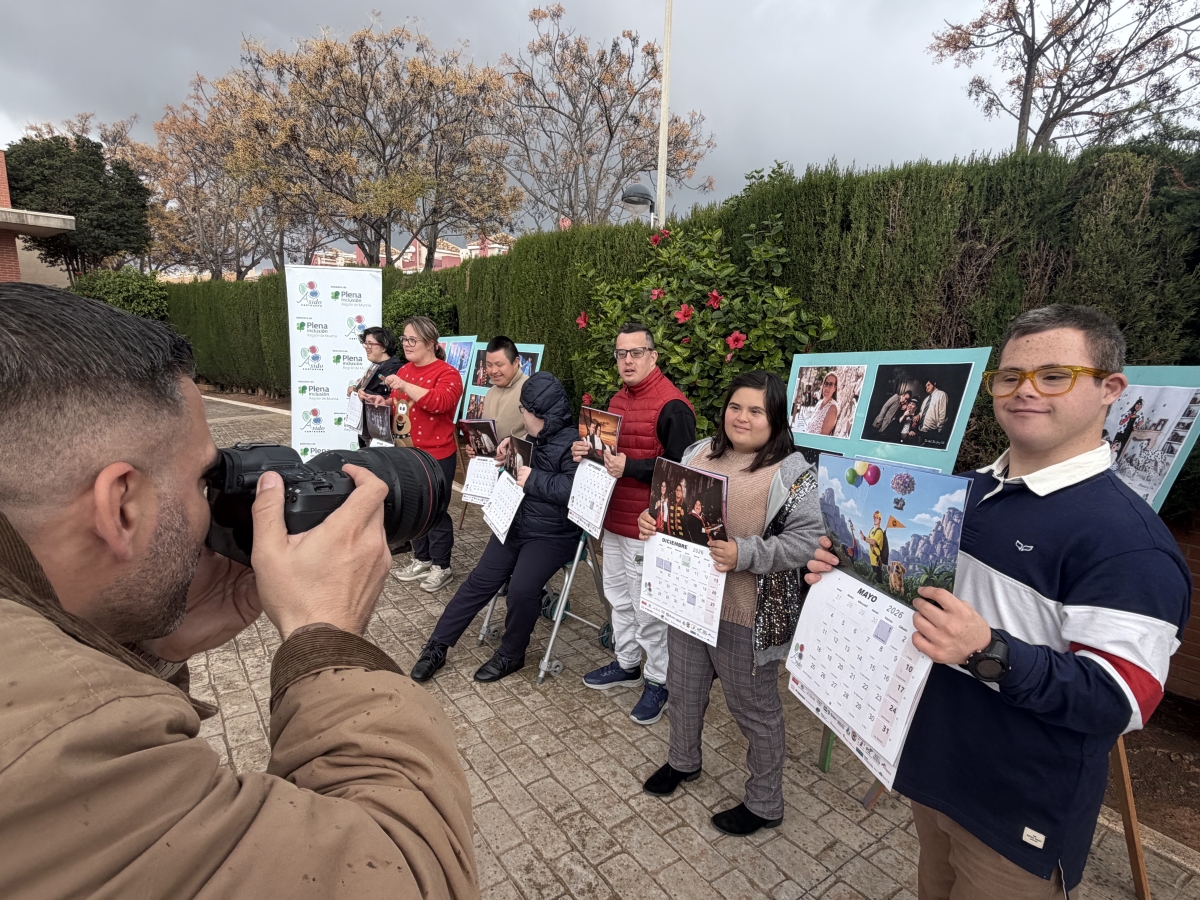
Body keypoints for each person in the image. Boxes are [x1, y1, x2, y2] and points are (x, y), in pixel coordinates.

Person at [0, 284, 476, 899]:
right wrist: (324, 638)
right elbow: (408, 875)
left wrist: (146, 645)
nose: (214, 502)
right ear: (120, 506)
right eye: (204, 477)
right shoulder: (62, 746)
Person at [805, 305, 1191, 899]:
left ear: (1111, 389)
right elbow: (923, 601)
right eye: (1010, 377)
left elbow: (1119, 699)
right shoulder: (968, 492)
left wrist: (989, 652)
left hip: (1016, 812)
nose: (1025, 391)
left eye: (1054, 375)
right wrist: (850, 579)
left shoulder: (1127, 543)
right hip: (930, 766)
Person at [639, 371, 822, 836]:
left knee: (755, 710)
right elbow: (671, 510)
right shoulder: (697, 453)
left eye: (756, 411)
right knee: (683, 690)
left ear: (775, 418)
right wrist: (651, 520)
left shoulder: (791, 471)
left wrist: (747, 553)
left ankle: (765, 803)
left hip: (746, 614)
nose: (742, 417)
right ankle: (683, 761)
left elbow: (806, 541)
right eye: (735, 407)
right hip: (688, 602)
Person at [410, 373, 582, 684]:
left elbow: (575, 491)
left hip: (553, 534)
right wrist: (498, 456)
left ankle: (512, 654)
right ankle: (437, 645)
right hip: (515, 524)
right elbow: (517, 476)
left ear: (539, 414)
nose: (522, 417)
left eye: (524, 412)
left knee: (521, 590)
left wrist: (532, 478)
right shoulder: (530, 439)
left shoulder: (574, 444)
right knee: (479, 582)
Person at [573, 323, 696, 725]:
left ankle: (659, 682)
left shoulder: (672, 406)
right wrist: (585, 451)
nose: (627, 360)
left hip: (649, 527)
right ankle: (627, 664)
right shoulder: (616, 399)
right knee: (619, 600)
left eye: (636, 352)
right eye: (621, 353)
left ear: (653, 356)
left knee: (650, 611)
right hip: (613, 519)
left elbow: (682, 474)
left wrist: (634, 467)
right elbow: (610, 456)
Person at [385, 316, 464, 593]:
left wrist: (404, 386)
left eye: (412, 340)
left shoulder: (447, 374)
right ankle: (422, 558)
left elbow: (440, 403)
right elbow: (402, 407)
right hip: (407, 453)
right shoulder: (405, 370)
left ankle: (442, 565)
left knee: (436, 511)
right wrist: (382, 403)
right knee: (414, 510)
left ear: (430, 343)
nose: (407, 344)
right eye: (405, 339)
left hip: (436, 455)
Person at [464, 337, 528, 463]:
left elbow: (541, 434)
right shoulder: (490, 393)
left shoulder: (531, 389)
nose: (493, 371)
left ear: (516, 362)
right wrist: (475, 446)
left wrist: (513, 449)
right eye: (489, 365)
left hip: (519, 469)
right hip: (490, 467)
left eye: (499, 365)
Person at [348, 326, 403, 448]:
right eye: (365, 343)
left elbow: (393, 399)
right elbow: (367, 389)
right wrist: (355, 390)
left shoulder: (396, 369)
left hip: (382, 436)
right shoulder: (375, 366)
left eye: (370, 343)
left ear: (383, 347)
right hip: (368, 432)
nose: (366, 347)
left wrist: (365, 394)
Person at [858, 510, 888, 585]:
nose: (875, 519)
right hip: (872, 559)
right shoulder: (872, 530)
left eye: (877, 517)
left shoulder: (879, 532)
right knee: (873, 579)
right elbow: (869, 539)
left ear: (880, 519)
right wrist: (865, 538)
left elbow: (873, 541)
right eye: (874, 517)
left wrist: (864, 538)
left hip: (877, 561)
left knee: (878, 580)